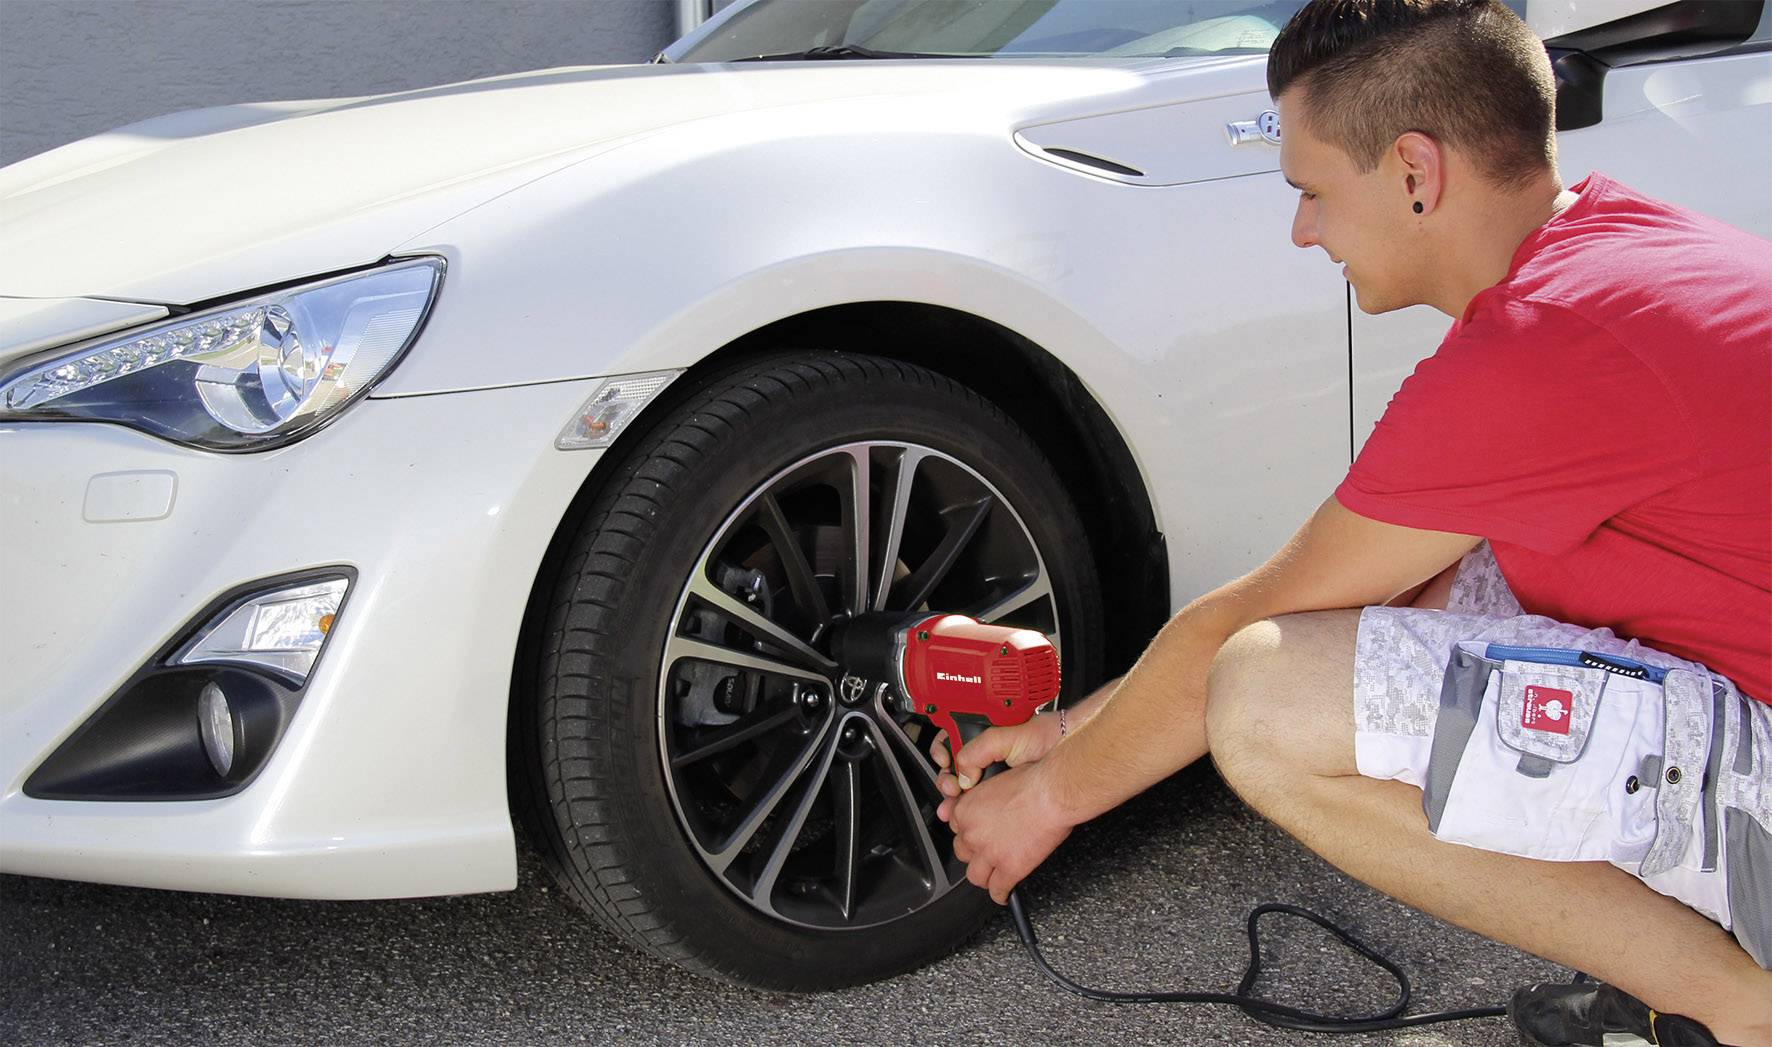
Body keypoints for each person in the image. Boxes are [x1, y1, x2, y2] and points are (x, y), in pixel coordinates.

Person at [930, 2, 1772, 1044]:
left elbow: (1252, 625)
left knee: (1269, 697)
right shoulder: (1615, 255)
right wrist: (1063, 732)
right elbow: (1362, 594)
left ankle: (1736, 1009)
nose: (1302, 229)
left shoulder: (1535, 348)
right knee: (1438, 594)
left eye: (1310, 190)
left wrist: (1047, 798)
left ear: (1414, 173)